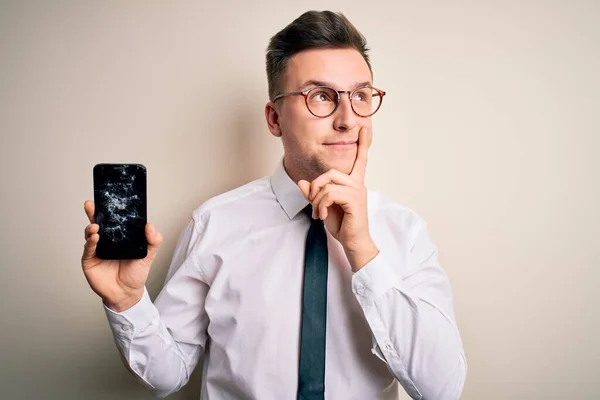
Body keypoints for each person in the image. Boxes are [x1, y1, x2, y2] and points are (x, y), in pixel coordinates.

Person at [81, 10, 467, 400]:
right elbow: (168, 375)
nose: (348, 119)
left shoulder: (405, 232)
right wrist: (127, 301)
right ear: (274, 118)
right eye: (321, 96)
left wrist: (362, 250)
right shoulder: (215, 223)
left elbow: (442, 390)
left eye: (361, 96)